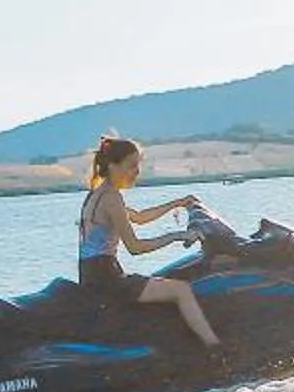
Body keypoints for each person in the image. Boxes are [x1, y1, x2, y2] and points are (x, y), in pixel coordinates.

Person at [78, 137, 223, 351]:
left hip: (92, 276)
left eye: (138, 165)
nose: (137, 171)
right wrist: (176, 236)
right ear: (113, 166)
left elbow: (139, 217)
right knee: (181, 289)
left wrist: (178, 203)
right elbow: (135, 247)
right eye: (131, 166)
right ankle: (216, 349)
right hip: (107, 279)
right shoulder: (111, 198)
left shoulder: (97, 194)